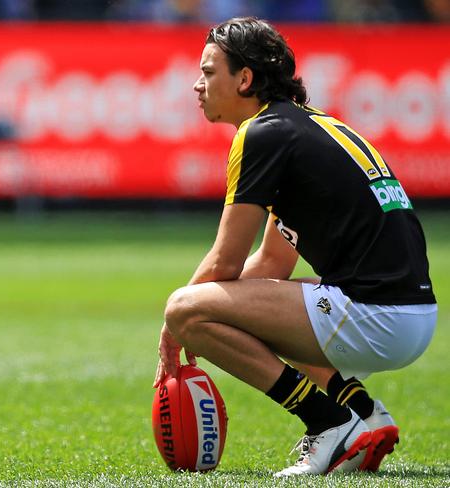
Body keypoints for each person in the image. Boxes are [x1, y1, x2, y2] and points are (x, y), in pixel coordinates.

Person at [153, 17, 437, 477]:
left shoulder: (261, 132)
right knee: (233, 301)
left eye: (208, 73)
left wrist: (177, 322)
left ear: (244, 78)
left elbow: (225, 260)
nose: (197, 85)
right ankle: (363, 413)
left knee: (188, 308)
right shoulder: (307, 126)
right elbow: (271, 264)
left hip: (375, 314)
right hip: (411, 315)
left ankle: (329, 422)